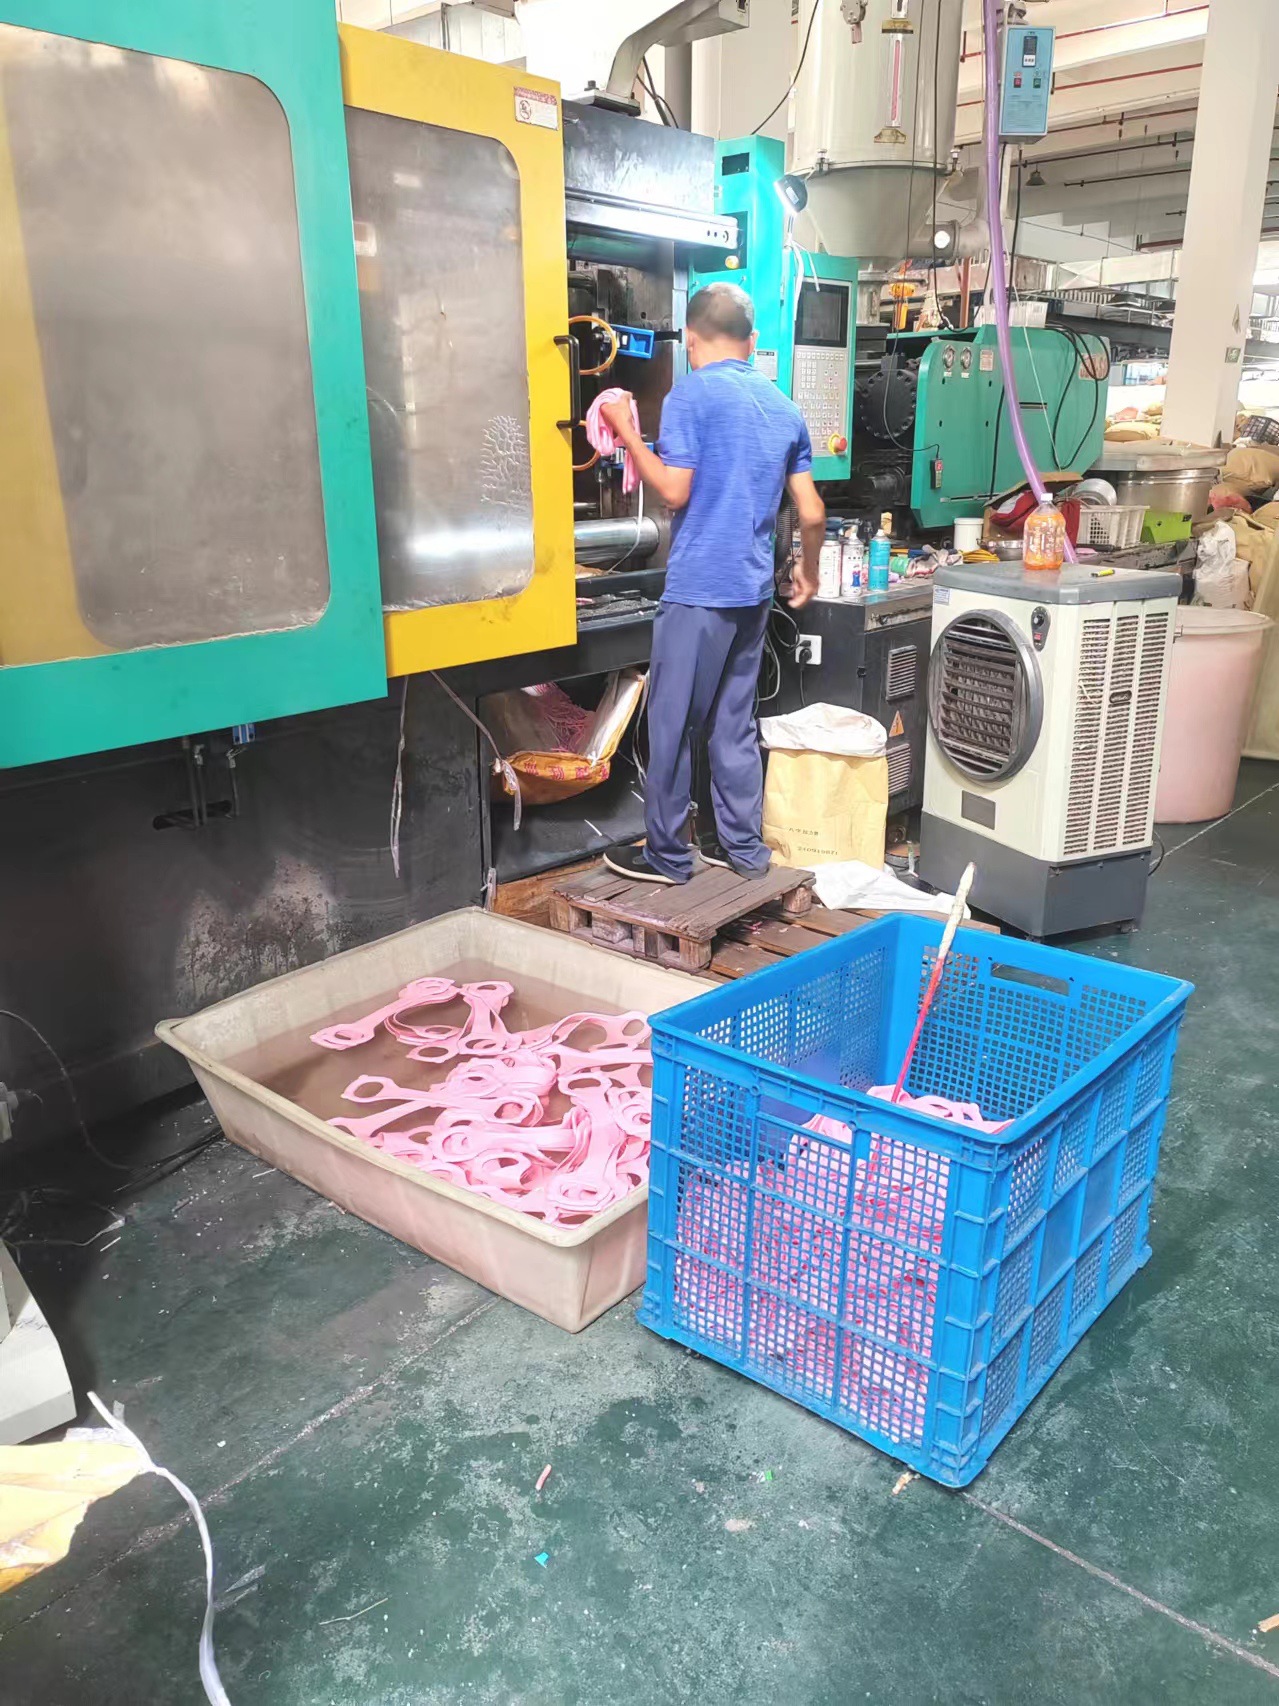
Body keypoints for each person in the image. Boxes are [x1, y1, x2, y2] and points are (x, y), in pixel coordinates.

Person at [598, 281, 826, 885]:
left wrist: (625, 430)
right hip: (753, 593)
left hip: (699, 589)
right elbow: (811, 511)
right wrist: (808, 569)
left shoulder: (690, 395)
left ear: (691, 340)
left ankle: (668, 856)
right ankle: (743, 850)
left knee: (672, 724)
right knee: (734, 723)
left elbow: (674, 491)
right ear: (752, 341)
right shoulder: (784, 408)